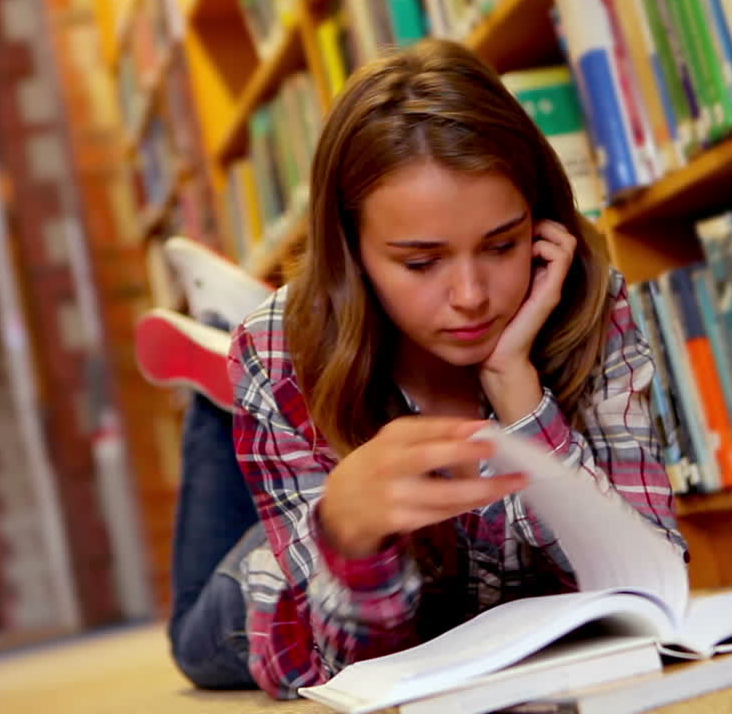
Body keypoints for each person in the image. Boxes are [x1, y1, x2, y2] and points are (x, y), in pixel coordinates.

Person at [168, 38, 687, 700]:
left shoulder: (585, 299)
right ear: (350, 254)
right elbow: (328, 670)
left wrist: (521, 400)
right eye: (420, 262)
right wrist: (350, 541)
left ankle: (229, 361)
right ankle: (216, 369)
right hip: (300, 576)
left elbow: (645, 588)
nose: (471, 296)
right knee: (196, 644)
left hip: (446, 568)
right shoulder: (278, 354)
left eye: (501, 245)